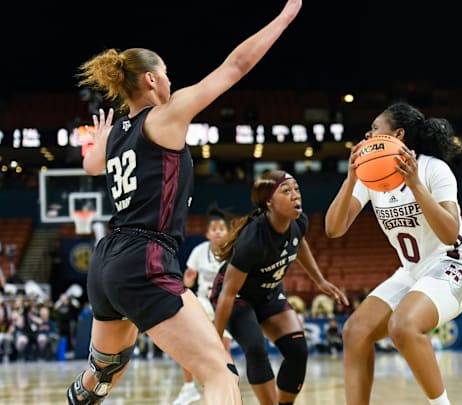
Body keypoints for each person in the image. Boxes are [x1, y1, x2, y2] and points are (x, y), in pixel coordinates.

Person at [66, 2, 302, 404]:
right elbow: (236, 66)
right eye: (168, 76)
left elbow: (91, 164)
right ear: (152, 78)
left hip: (107, 262)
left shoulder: (118, 133)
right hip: (145, 256)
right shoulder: (165, 116)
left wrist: (101, 137)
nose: (172, 84)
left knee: (102, 371)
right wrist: (284, 17)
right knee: (220, 374)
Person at [324, 102, 462, 405]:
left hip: (457, 262)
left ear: (397, 135)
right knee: (355, 331)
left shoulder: (432, 168)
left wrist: (414, 184)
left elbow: (450, 234)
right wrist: (351, 179)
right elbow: (334, 229)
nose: (367, 134)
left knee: (404, 325)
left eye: (375, 128)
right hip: (414, 271)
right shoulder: (370, 177)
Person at [211, 170, 348, 405]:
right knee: (255, 350)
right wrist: (214, 343)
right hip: (237, 298)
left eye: (296, 189)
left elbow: (299, 243)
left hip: (268, 293)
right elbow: (227, 295)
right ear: (269, 202)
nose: (296, 195)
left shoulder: (298, 221)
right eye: (287, 191)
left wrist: (319, 280)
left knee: (297, 351)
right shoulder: (252, 240)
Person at [172, 208, 234, 405]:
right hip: (204, 302)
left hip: (226, 304)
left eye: (222, 228)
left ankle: (225, 389)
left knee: (223, 352)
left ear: (228, 233)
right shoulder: (199, 251)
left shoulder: (235, 252)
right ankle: (189, 387)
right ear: (207, 234)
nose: (217, 232)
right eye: (213, 229)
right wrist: (188, 279)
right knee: (186, 342)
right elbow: (188, 283)